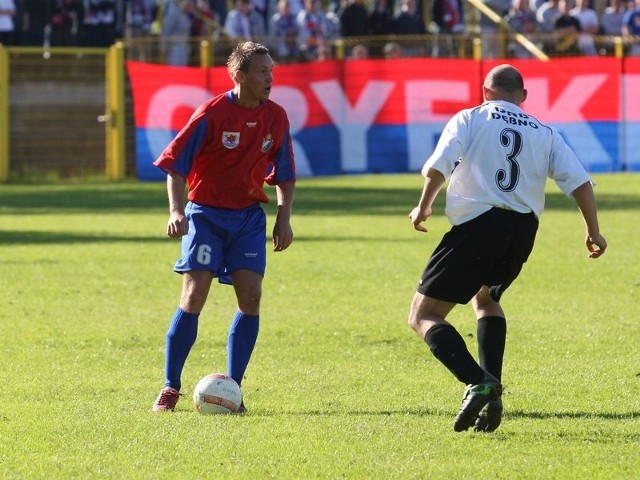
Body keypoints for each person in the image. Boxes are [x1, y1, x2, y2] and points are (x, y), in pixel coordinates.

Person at [407, 64, 607, 433]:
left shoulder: (470, 117)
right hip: (522, 232)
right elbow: (579, 182)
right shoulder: (545, 132)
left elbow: (441, 163)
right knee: (485, 299)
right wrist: (593, 230)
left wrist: (424, 204)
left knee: (424, 315)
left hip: (478, 226)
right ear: (524, 98)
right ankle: (492, 392)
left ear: (485, 91)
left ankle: (477, 381)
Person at [151, 41, 297, 413]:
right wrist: (176, 210)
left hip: (248, 218)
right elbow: (175, 166)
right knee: (195, 295)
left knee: (251, 298)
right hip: (206, 216)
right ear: (239, 76)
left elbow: (284, 174)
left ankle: (233, 389)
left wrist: (284, 218)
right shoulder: (211, 114)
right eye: (262, 72)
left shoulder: (276, 117)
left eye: (271, 71)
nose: (270, 78)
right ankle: (170, 387)